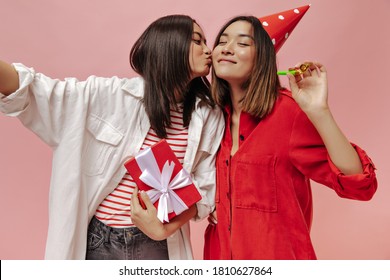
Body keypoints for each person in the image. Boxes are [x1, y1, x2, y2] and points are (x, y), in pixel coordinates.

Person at [0, 14, 224, 260]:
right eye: (197, 41)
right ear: (170, 44)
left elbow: (204, 189)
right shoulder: (109, 95)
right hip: (100, 241)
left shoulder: (208, 116)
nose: (208, 50)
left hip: (158, 245)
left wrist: (162, 230)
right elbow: (39, 93)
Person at [203, 15, 377, 260]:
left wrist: (320, 112)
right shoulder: (210, 120)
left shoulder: (288, 112)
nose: (227, 48)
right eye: (222, 41)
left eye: (242, 43)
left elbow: (359, 184)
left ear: (263, 58)